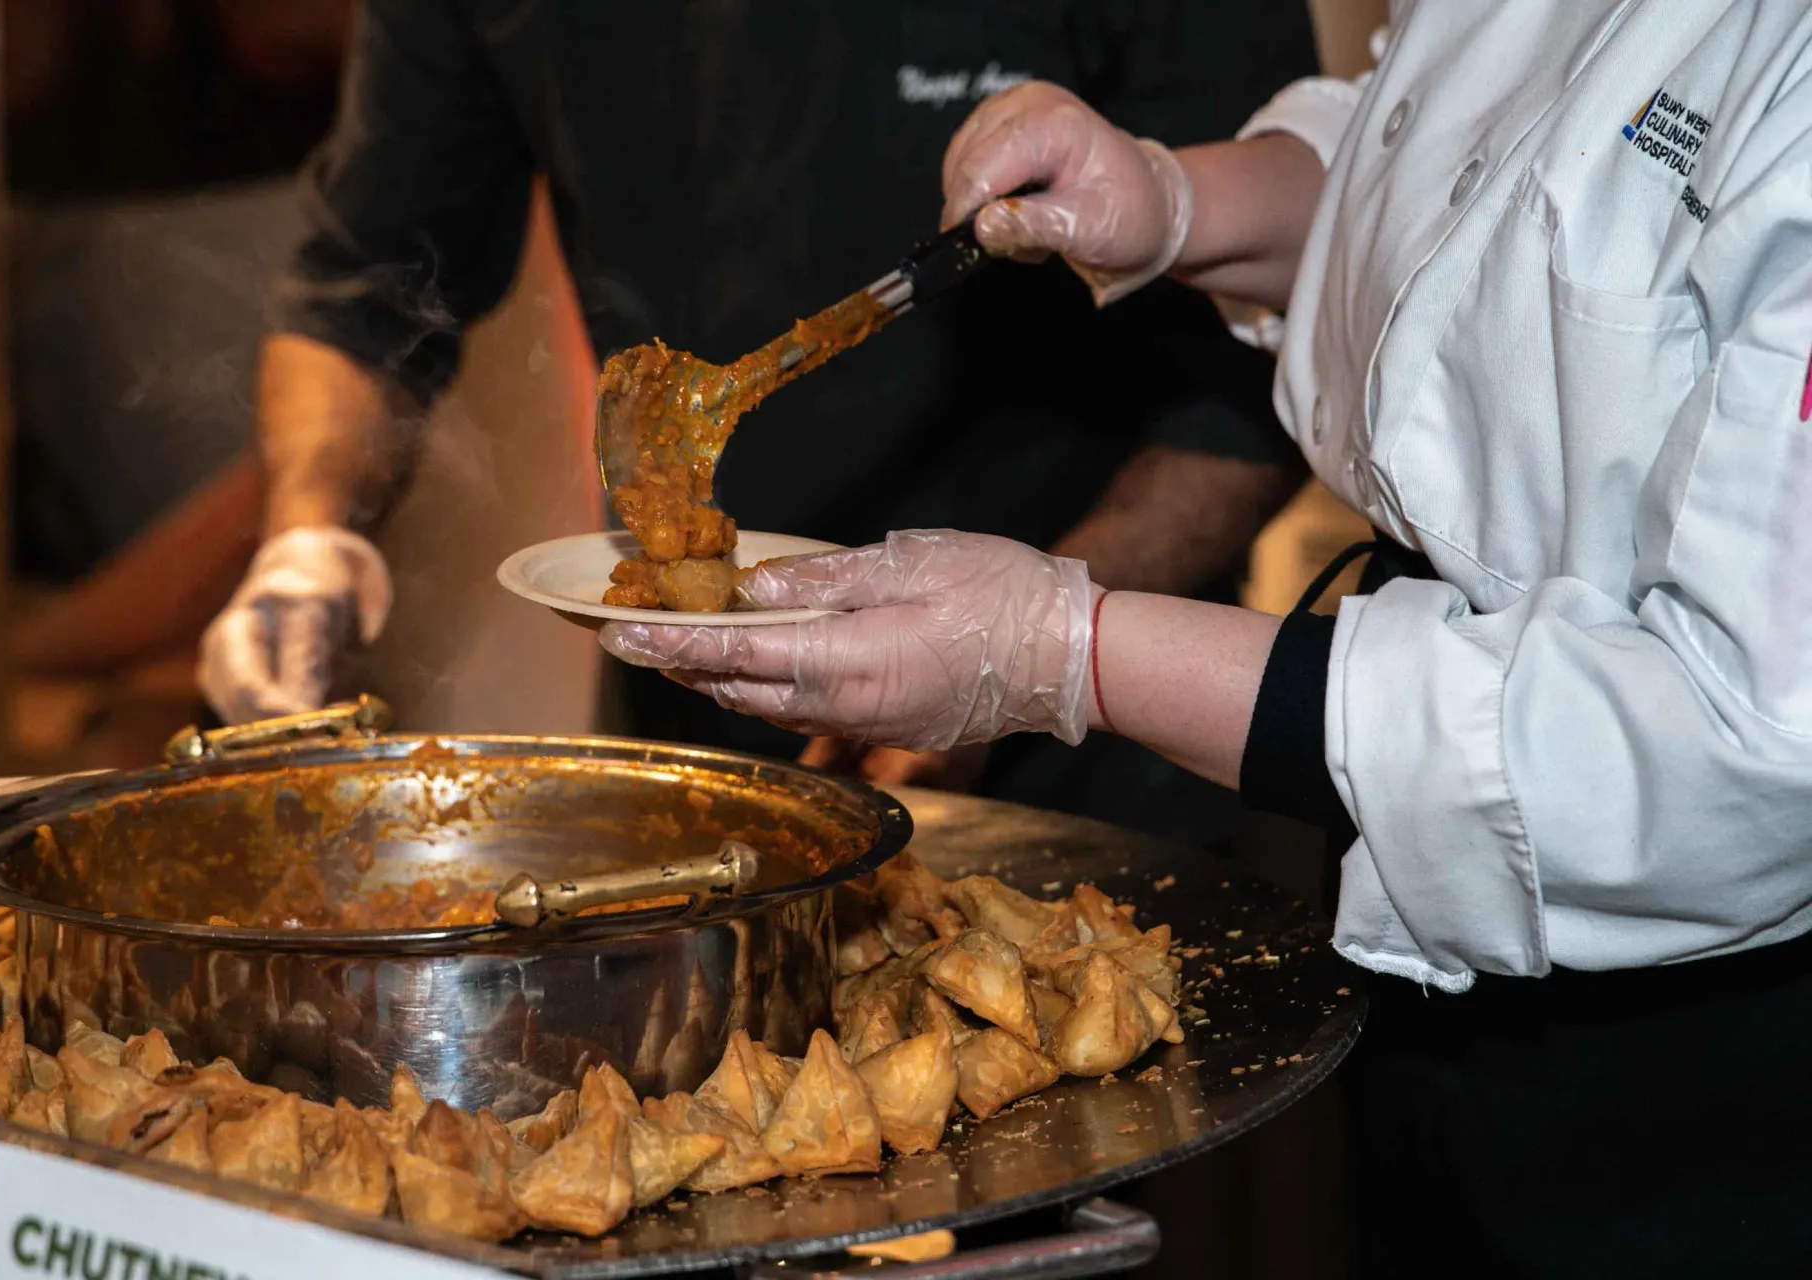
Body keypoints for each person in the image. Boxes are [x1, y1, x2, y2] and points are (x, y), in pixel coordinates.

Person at [600, 4, 1812, 1274]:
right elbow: (1476, 184)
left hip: (1709, 1050)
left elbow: (1745, 740)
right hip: (1430, 905)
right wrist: (1186, 203)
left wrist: (1064, 650)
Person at [193, 1, 1321, 847]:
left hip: (1102, 739)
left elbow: (1268, 357)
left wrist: (1024, 647)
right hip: (692, 743)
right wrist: (307, 538)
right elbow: (361, 295)